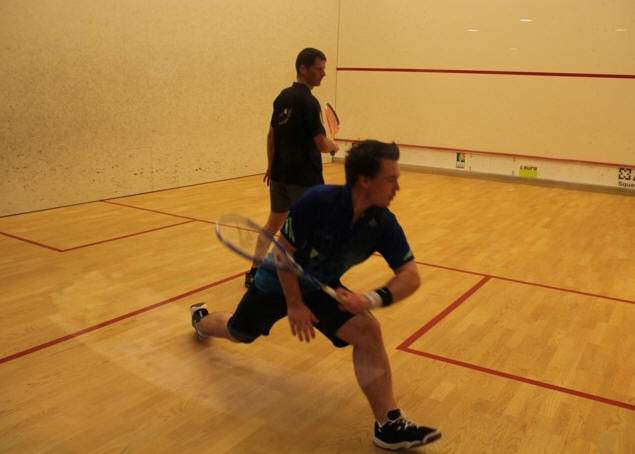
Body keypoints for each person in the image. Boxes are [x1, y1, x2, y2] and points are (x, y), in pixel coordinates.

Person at [191, 140, 442, 450]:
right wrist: (294, 304)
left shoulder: (383, 223)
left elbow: (410, 276)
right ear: (365, 180)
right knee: (238, 332)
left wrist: (369, 299)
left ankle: (388, 424)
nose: (397, 188)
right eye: (391, 179)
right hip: (275, 283)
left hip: (320, 286)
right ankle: (201, 321)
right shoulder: (318, 201)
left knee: (368, 330)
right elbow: (283, 255)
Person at [245, 47, 340, 288]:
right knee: (315, 227)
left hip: (279, 176)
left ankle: (254, 272)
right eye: (319, 69)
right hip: (305, 179)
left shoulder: (282, 97)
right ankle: (312, 276)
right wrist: (333, 146)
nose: (323, 73)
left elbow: (271, 136)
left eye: (324, 69)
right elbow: (322, 144)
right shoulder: (309, 102)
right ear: (303, 68)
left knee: (273, 224)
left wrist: (270, 166)